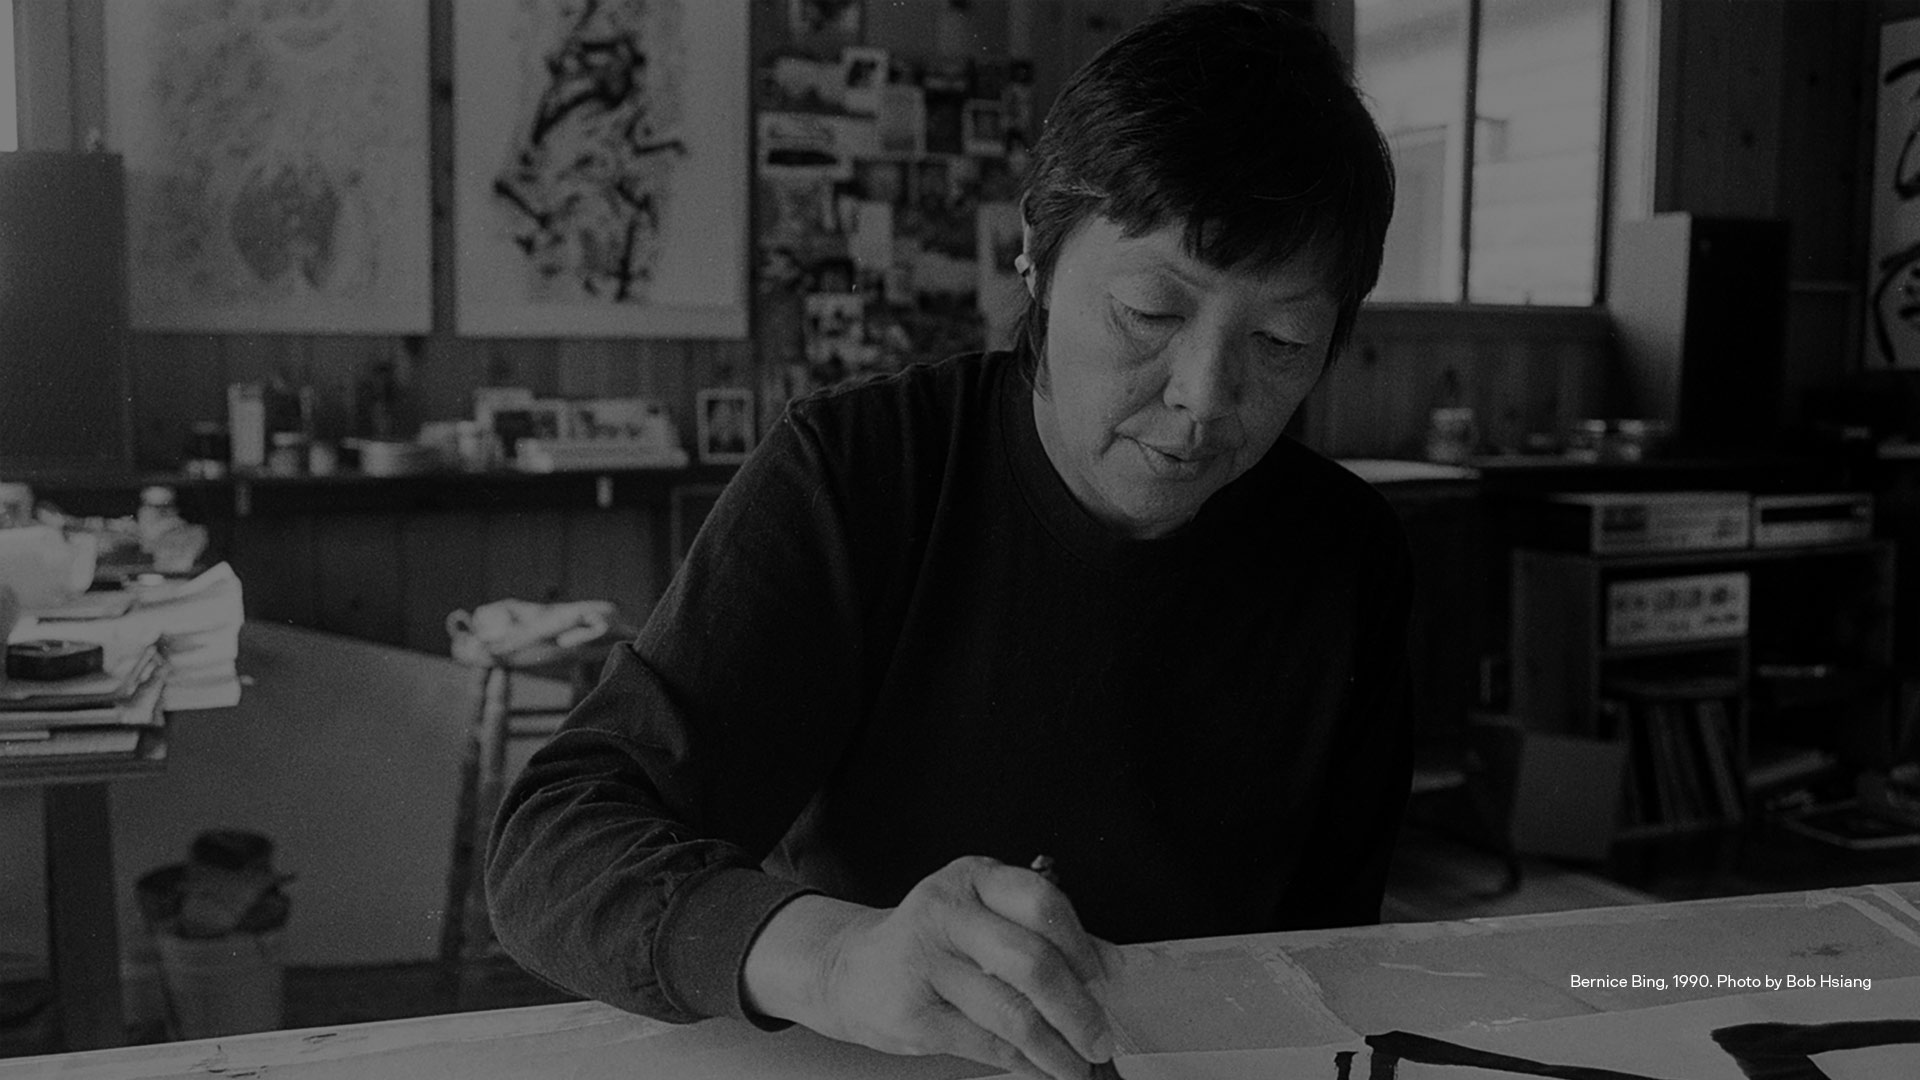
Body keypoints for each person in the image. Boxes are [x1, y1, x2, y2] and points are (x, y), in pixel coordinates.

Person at [487, 4, 1407, 1079]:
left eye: (1283, 340)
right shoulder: (863, 475)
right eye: (1152, 313)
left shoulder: (1350, 557)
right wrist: (834, 959)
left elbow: (1338, 955)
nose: (1207, 395)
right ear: (1036, 254)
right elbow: (552, 845)